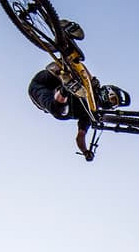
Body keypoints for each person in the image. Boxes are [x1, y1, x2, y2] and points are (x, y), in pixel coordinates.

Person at [27, 20, 129, 161]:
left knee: (61, 113)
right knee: (87, 79)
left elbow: (80, 136)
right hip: (50, 77)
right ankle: (65, 37)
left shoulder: (89, 116)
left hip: (40, 92)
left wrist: (86, 151)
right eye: (112, 97)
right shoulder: (94, 86)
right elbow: (85, 74)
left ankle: (65, 90)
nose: (110, 100)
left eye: (112, 102)